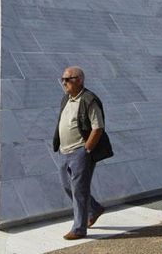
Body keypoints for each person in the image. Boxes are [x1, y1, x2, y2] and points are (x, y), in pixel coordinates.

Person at [53, 66, 112, 240]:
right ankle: (94, 208)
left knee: (79, 190)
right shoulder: (66, 99)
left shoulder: (89, 100)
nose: (64, 83)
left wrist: (86, 150)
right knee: (67, 186)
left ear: (79, 80)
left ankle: (79, 228)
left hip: (80, 151)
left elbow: (98, 127)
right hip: (64, 151)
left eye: (67, 79)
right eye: (62, 79)